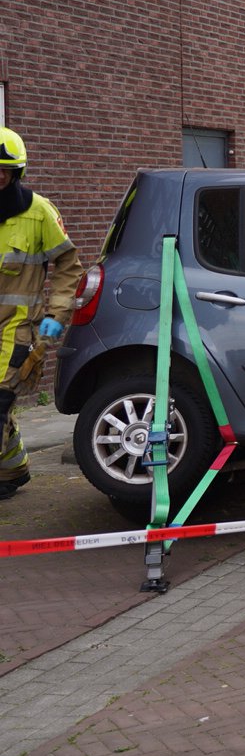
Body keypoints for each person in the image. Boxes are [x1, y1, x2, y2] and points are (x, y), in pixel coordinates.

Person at [0, 127, 85, 500]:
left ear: (17, 173)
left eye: (3, 170)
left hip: (17, 329)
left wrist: (57, 315)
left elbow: (69, 266)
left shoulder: (39, 213)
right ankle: (13, 468)